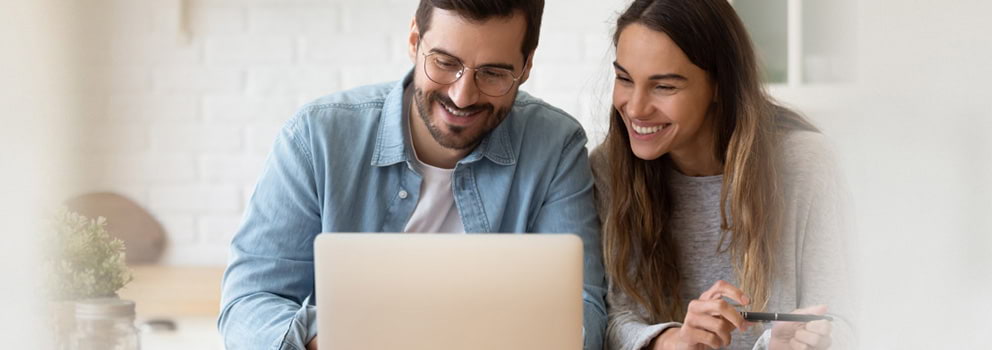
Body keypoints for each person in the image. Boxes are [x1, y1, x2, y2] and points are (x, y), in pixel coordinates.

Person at [217, 1, 607, 349]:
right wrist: (335, 339)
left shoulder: (556, 146)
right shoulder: (315, 138)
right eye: (445, 62)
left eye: (492, 73)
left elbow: (583, 309)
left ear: (525, 67)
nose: (462, 95)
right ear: (414, 40)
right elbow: (247, 305)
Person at [590, 0, 855, 349]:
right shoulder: (610, 168)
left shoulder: (806, 163)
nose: (636, 107)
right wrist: (672, 341)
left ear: (719, 85)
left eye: (664, 86)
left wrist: (806, 340)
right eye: (624, 78)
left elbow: (847, 319)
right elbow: (612, 317)